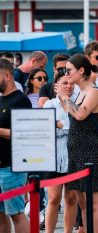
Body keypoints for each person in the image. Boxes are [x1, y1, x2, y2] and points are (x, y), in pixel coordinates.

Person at [56, 54, 98, 233]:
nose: (66, 73)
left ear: (81, 70)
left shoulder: (93, 92)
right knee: (82, 201)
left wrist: (64, 96)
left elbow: (79, 115)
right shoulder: (81, 92)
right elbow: (72, 114)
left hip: (90, 151)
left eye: (69, 70)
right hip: (76, 150)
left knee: (94, 200)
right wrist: (63, 99)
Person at [43, 72, 77, 233]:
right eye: (65, 83)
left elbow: (77, 130)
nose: (68, 86)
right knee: (53, 199)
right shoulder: (49, 105)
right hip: (53, 157)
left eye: (71, 83)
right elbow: (47, 130)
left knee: (71, 199)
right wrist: (63, 126)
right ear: (56, 86)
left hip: (72, 157)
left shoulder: (77, 103)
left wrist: (58, 124)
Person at [0, 58, 31, 233]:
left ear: (7, 75)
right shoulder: (1, 100)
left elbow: (24, 134)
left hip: (12, 167)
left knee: (16, 214)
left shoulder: (20, 100)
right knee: (0, 214)